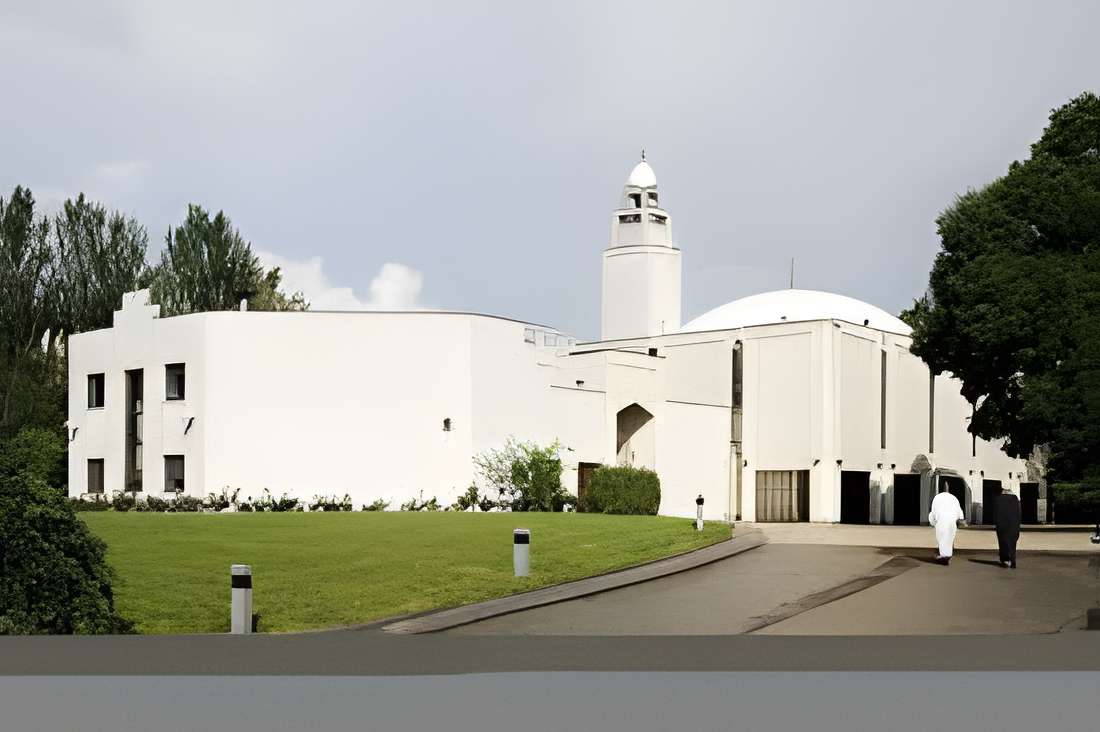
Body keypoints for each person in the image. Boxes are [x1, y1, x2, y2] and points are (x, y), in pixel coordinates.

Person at [929, 483, 964, 565]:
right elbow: (960, 513)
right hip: (951, 522)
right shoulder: (954, 498)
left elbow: (933, 512)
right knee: (949, 539)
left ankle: (944, 556)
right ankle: (946, 555)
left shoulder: (937, 498)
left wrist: (933, 522)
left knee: (942, 539)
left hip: (941, 522)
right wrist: (960, 520)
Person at [995, 486, 1021, 568]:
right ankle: (1013, 560)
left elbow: (995, 513)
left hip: (1001, 525)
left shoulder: (998, 499)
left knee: (1003, 542)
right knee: (1012, 543)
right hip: (1014, 524)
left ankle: (1005, 560)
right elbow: (1019, 512)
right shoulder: (1015, 499)